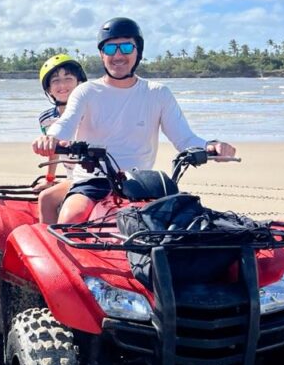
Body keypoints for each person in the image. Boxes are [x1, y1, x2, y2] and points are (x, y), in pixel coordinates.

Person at [33, 17, 237, 224]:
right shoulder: (86, 91)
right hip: (92, 180)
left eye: (126, 47)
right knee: (71, 217)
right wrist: (50, 139)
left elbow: (184, 138)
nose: (118, 55)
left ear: (138, 51)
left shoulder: (158, 93)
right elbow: (66, 124)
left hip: (142, 183)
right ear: (102, 54)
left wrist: (211, 146)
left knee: (180, 225)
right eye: (111, 49)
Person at [34, 54, 87, 224]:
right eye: (55, 80)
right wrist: (49, 179)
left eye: (68, 78)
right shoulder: (47, 119)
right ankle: (49, 245)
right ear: (48, 89)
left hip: (93, 175)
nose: (62, 85)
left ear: (79, 83)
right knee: (45, 198)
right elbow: (53, 150)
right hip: (73, 177)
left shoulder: (94, 111)